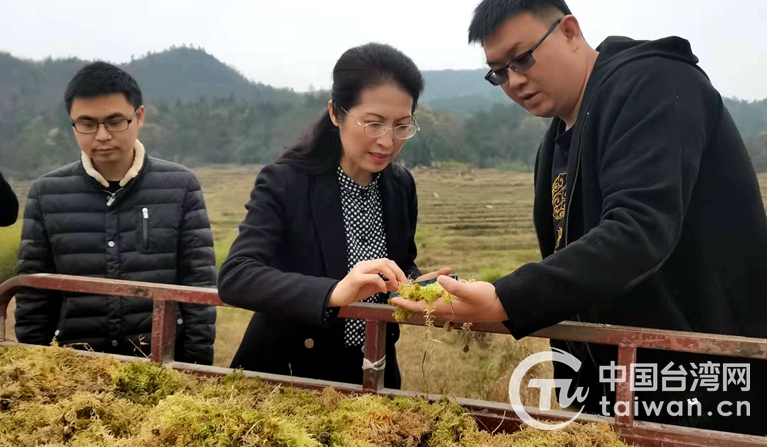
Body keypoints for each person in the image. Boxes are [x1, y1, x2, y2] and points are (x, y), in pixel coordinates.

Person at [392, 0, 767, 436]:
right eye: (499, 73)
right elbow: (575, 265)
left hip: (707, 387)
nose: (515, 81)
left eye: (522, 58)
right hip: (616, 392)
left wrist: (505, 298)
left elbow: (639, 231)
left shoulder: (655, 84)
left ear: (569, 31)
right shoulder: (554, 143)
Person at [217, 42, 449, 389]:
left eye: (402, 126)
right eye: (373, 124)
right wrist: (333, 292)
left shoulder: (400, 186)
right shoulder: (287, 181)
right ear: (335, 113)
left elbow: (401, 262)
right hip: (286, 378)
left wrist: (418, 286)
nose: (387, 141)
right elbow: (237, 276)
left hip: (372, 372)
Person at [14, 62, 217, 365]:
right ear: (72, 123)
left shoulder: (180, 186)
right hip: (73, 365)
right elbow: (34, 295)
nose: (102, 135)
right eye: (87, 123)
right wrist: (37, 366)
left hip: (160, 365)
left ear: (140, 116)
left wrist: (194, 367)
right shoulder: (47, 192)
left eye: (115, 121)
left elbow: (198, 285)